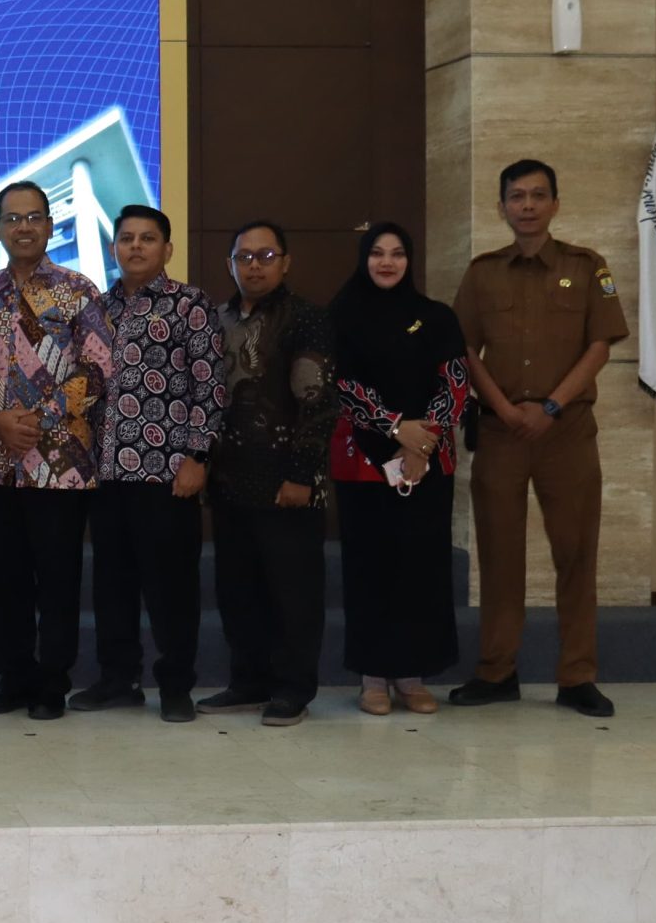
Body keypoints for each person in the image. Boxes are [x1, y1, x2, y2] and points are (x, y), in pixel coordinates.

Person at [451, 160, 627, 718]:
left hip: (566, 432)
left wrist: (551, 406)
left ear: (555, 204)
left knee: (575, 554)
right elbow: (463, 351)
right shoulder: (482, 273)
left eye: (537, 195)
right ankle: (496, 671)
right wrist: (505, 408)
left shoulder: (588, 266)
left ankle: (577, 676)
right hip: (501, 432)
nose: (527, 205)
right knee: (499, 555)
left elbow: (600, 345)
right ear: (501, 207)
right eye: (516, 196)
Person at [0, 181, 112, 722]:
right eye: (12, 219)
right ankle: (13, 678)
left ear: (51, 226)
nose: (23, 227)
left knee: (57, 577)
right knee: (1, 578)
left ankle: (52, 682)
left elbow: (98, 368)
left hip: (61, 463)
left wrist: (39, 419)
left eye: (33, 217)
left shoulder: (79, 290)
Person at [76, 203, 224, 724]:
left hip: (167, 474)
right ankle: (119, 679)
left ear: (167, 248)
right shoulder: (97, 308)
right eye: (126, 238)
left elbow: (210, 386)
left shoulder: (190, 304)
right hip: (105, 473)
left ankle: (176, 686)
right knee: (112, 586)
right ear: (113, 246)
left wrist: (198, 457)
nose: (135, 246)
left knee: (171, 589)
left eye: (147, 238)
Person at [199, 221, 336, 728]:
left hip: (288, 483)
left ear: (286, 262)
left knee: (293, 593)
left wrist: (301, 474)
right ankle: (249, 681)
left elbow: (319, 405)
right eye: (244, 257)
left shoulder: (306, 318)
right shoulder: (217, 318)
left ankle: (293, 688)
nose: (254, 266)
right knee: (239, 591)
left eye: (266, 256)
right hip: (231, 482)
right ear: (230, 264)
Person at [331, 223, 469, 716]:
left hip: (427, 463)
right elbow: (341, 385)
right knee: (370, 568)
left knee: (421, 568)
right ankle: (372, 677)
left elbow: (455, 382)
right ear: (363, 258)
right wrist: (395, 429)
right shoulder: (342, 315)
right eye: (377, 253)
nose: (387, 262)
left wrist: (421, 444)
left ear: (410, 260)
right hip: (365, 463)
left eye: (396, 254)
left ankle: (412, 675)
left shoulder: (437, 317)